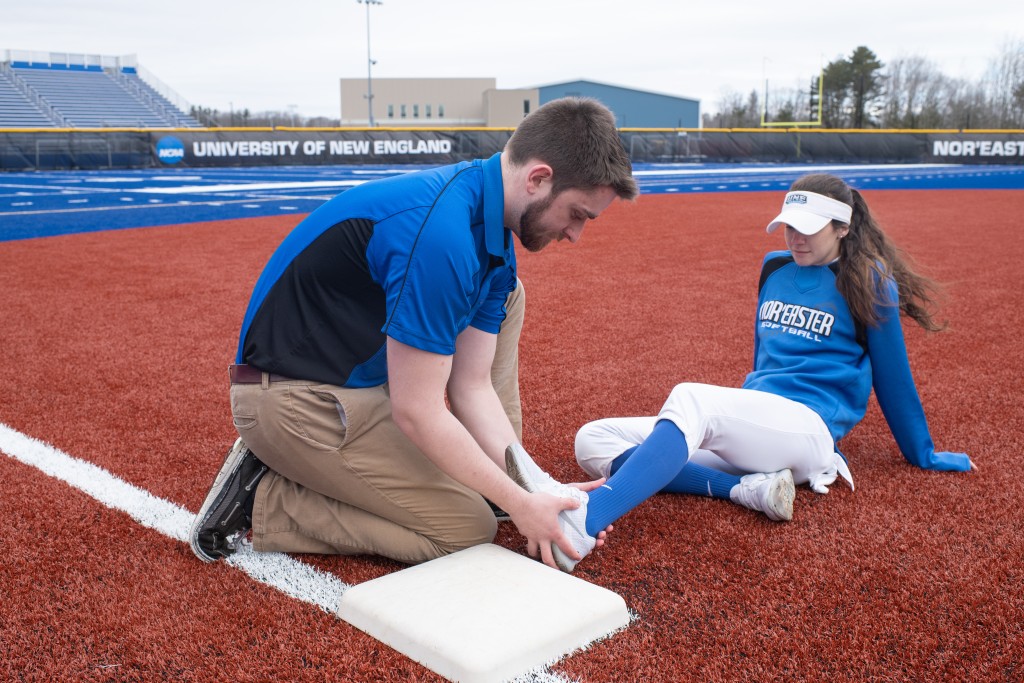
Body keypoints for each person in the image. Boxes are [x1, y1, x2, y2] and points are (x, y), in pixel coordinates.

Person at [188, 97, 638, 572]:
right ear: (538, 179)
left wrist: (535, 487)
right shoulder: (441, 237)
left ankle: (505, 487)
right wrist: (520, 504)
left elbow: (472, 386)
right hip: (293, 400)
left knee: (508, 303)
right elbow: (418, 410)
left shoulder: (487, 230)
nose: (575, 235)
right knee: (466, 527)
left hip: (353, 382)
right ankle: (265, 498)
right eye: (577, 214)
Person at [507, 173, 974, 571]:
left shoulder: (870, 281)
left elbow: (895, 383)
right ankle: (747, 490)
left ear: (843, 226)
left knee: (691, 399)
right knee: (593, 440)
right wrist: (737, 421)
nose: (795, 239)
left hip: (809, 431)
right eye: (789, 226)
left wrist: (925, 454)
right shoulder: (774, 268)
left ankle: (587, 523)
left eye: (809, 229)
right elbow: (763, 362)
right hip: (760, 427)